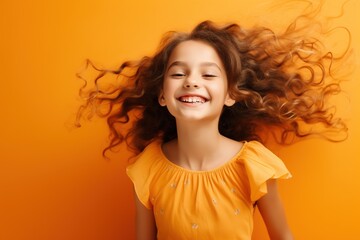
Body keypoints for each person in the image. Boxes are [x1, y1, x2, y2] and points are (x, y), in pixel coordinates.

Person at [76, 6, 350, 240]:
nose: (191, 81)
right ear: (161, 95)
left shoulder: (253, 165)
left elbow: (283, 236)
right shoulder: (147, 168)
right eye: (179, 73)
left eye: (208, 75)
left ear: (230, 94)